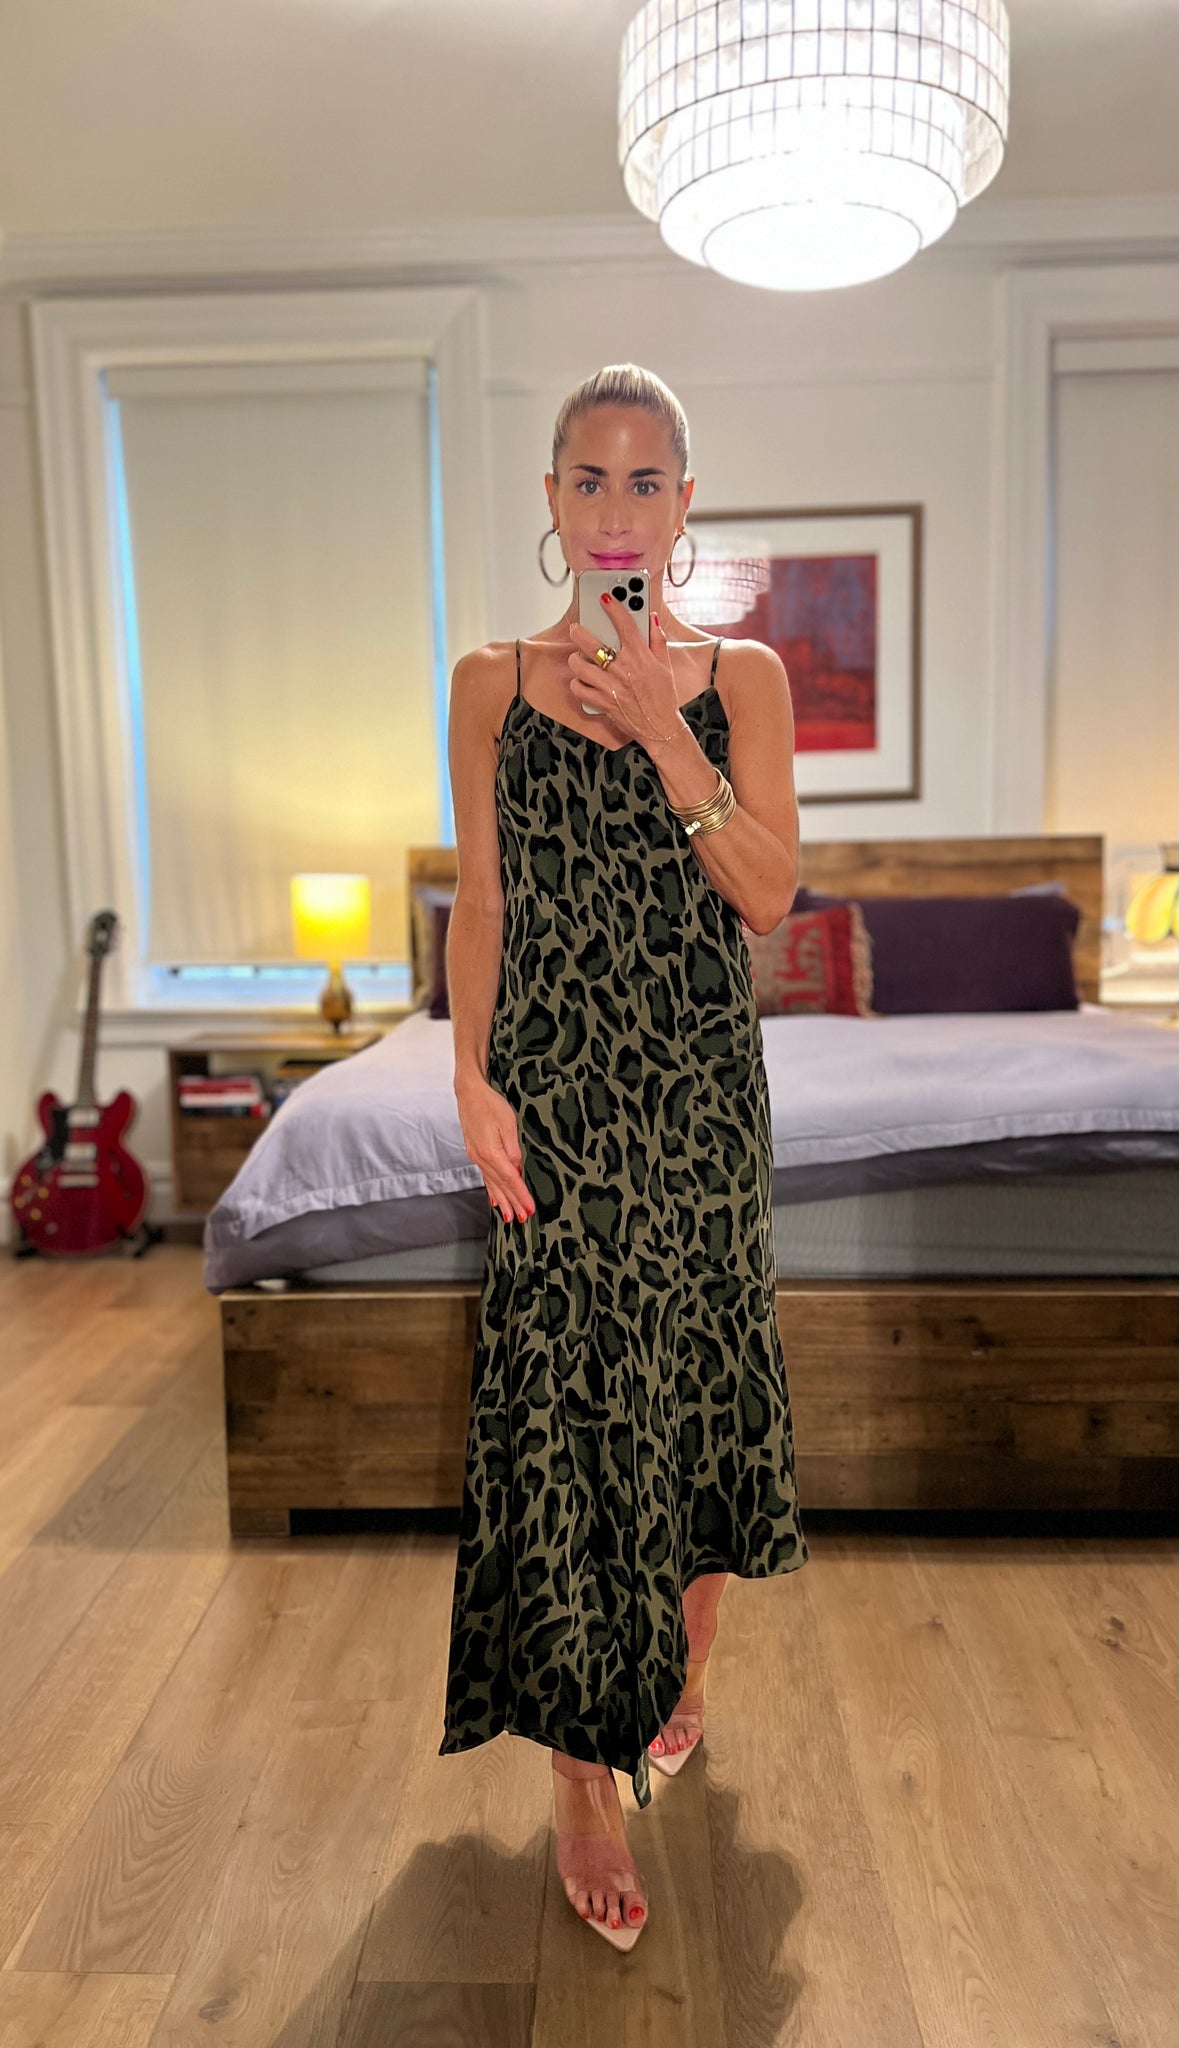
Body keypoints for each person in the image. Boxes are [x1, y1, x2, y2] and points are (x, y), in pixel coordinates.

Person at [439, 362, 809, 1951]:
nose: (614, 509)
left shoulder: (745, 678)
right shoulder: (489, 681)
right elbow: (484, 902)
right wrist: (468, 1076)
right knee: (570, 1422)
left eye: (644, 480)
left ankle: (683, 1672)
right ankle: (580, 1782)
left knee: (700, 1396)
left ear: (683, 503)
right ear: (550, 498)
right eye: (587, 479)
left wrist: (668, 731)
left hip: (701, 1107)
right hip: (558, 1113)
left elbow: (769, 894)